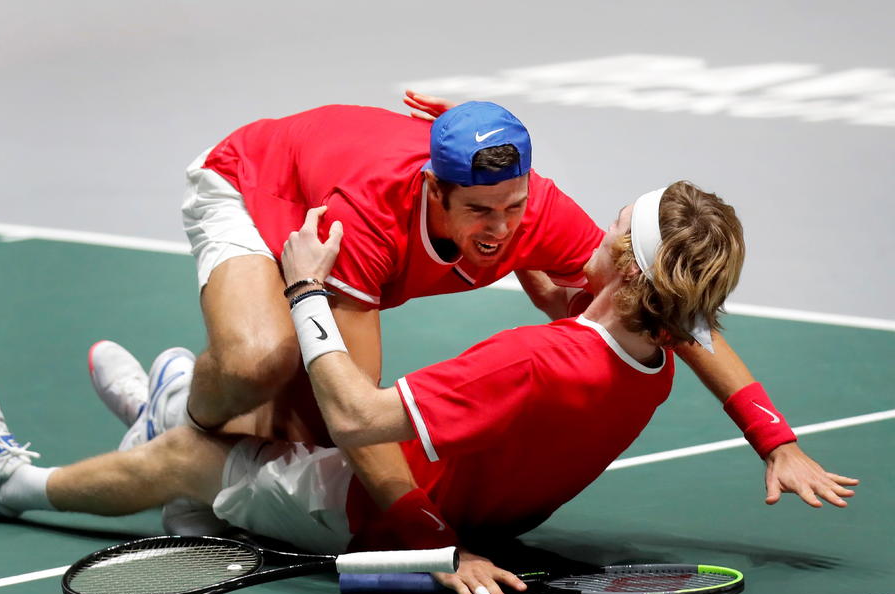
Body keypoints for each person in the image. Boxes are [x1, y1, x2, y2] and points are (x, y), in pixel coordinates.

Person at [0, 182, 858, 594]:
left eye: (619, 217)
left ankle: (6, 480)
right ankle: (164, 394)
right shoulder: (649, 359)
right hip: (461, 506)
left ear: (625, 259)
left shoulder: (536, 359)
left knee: (202, 447)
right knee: (242, 405)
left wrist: (304, 289)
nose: (602, 213)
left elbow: (358, 415)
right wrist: (771, 433)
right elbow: (701, 335)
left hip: (370, 507)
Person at [150, 99, 826, 533]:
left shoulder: (537, 215)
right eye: (480, 210)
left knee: (305, 432)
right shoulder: (369, 220)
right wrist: (425, 531)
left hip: (349, 220)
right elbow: (354, 415)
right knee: (260, 362)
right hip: (257, 178)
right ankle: (176, 416)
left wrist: (774, 437)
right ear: (437, 192)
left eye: (515, 206)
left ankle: (187, 452)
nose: (503, 227)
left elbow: (673, 304)